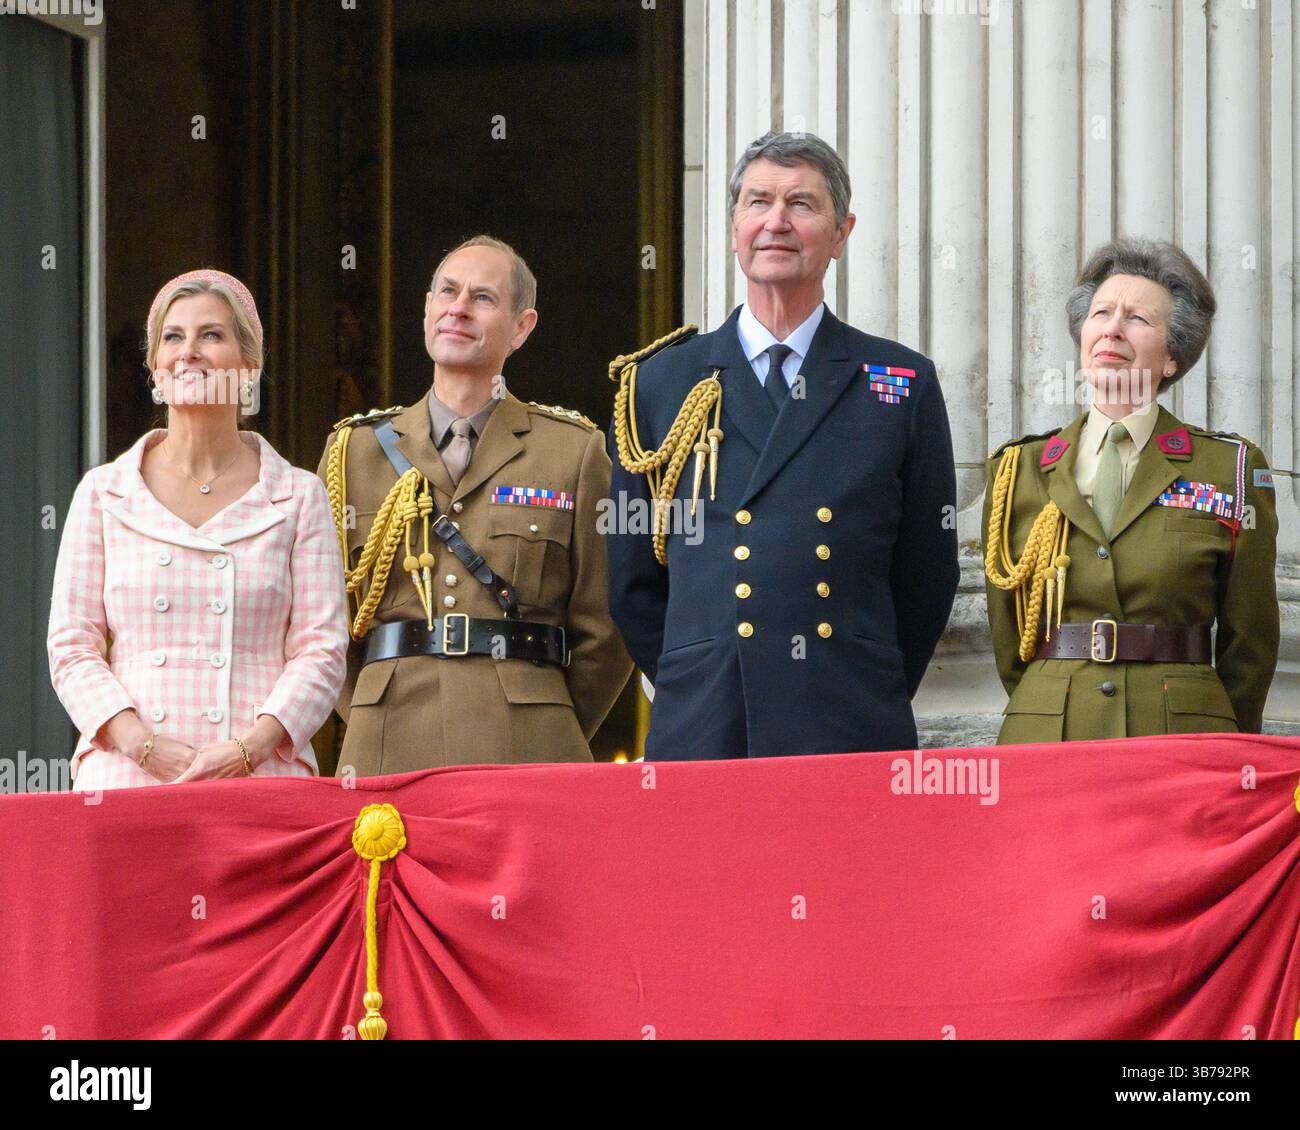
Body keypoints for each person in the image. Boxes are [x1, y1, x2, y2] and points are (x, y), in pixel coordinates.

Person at [606, 131, 959, 760]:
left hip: (846, 715)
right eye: (757, 202)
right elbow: (633, 581)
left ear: (841, 233)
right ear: (734, 226)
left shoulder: (899, 380)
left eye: (801, 204)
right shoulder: (659, 382)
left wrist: (862, 671)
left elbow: (926, 575)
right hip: (707, 720)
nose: (776, 222)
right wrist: (699, 665)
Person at [317, 235, 631, 774]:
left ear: (522, 327)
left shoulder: (573, 451)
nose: (458, 308)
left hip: (530, 744)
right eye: (447, 292)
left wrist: (547, 715)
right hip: (388, 741)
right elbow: (321, 622)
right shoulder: (354, 452)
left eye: (482, 298)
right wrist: (370, 701)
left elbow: (607, 624)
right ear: (426, 310)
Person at [48, 269, 348, 791]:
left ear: (248, 365)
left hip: (261, 779)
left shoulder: (299, 496)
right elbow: (73, 647)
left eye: (211, 335)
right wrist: (142, 745)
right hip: (126, 779)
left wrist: (248, 750)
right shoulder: (103, 493)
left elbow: (321, 649)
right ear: (155, 367)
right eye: (173, 337)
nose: (189, 351)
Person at [983, 238, 1279, 743]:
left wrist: (1220, 734)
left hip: (1181, 733)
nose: (1112, 329)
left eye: (1138, 319)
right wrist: (1047, 699)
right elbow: (1010, 638)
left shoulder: (1228, 467)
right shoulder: (1019, 468)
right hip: (1049, 729)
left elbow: (1248, 642)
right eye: (1101, 313)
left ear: (1172, 358)